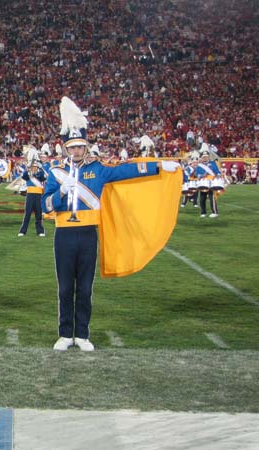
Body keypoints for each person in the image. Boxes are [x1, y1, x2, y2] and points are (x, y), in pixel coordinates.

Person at [42, 97, 179, 352]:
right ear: (65, 148)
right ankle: (65, 334)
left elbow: (127, 171)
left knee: (84, 287)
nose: (75, 152)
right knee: (65, 288)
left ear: (85, 148)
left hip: (87, 234)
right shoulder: (55, 173)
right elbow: (46, 206)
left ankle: (82, 335)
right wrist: (61, 192)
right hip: (64, 235)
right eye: (71, 148)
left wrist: (160, 167)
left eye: (79, 147)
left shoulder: (98, 170)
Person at [18, 154, 46, 237]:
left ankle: (40, 231)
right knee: (27, 214)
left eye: (35, 167)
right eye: (33, 167)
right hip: (30, 195)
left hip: (38, 195)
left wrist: (38, 171)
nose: (34, 168)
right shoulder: (27, 174)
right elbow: (23, 176)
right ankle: (23, 231)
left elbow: (43, 177)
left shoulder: (40, 173)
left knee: (38, 213)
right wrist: (28, 169)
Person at [195, 149, 221, 218]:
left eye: (206, 156)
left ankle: (215, 212)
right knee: (202, 198)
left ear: (209, 157)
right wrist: (202, 175)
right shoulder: (199, 165)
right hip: (203, 183)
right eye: (204, 157)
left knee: (212, 197)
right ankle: (203, 212)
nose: (205, 158)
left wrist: (218, 175)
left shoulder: (213, 163)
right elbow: (197, 174)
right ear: (201, 157)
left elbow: (217, 171)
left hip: (211, 183)